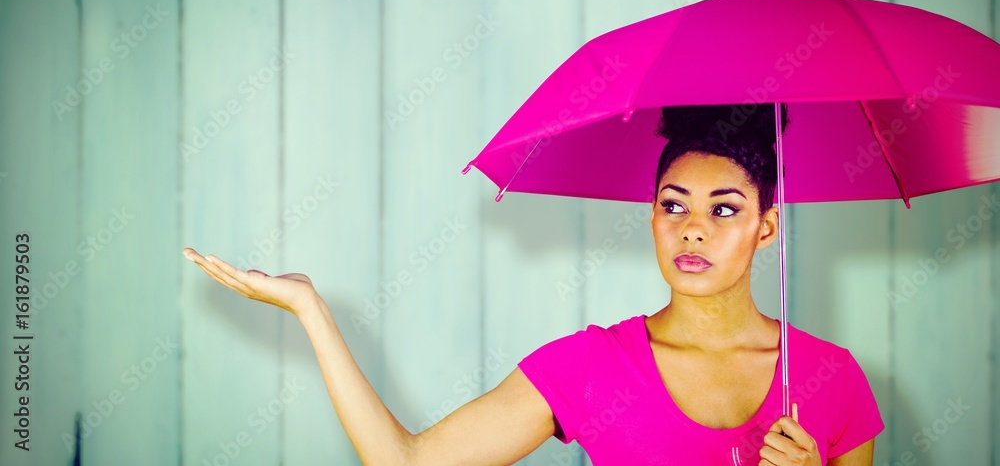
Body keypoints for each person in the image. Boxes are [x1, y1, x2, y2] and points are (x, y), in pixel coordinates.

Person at [182, 102, 884, 465]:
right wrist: (310, 309)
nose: (692, 229)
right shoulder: (588, 368)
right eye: (674, 205)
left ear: (768, 226)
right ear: (651, 215)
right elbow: (408, 460)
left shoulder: (831, 378)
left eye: (724, 209)